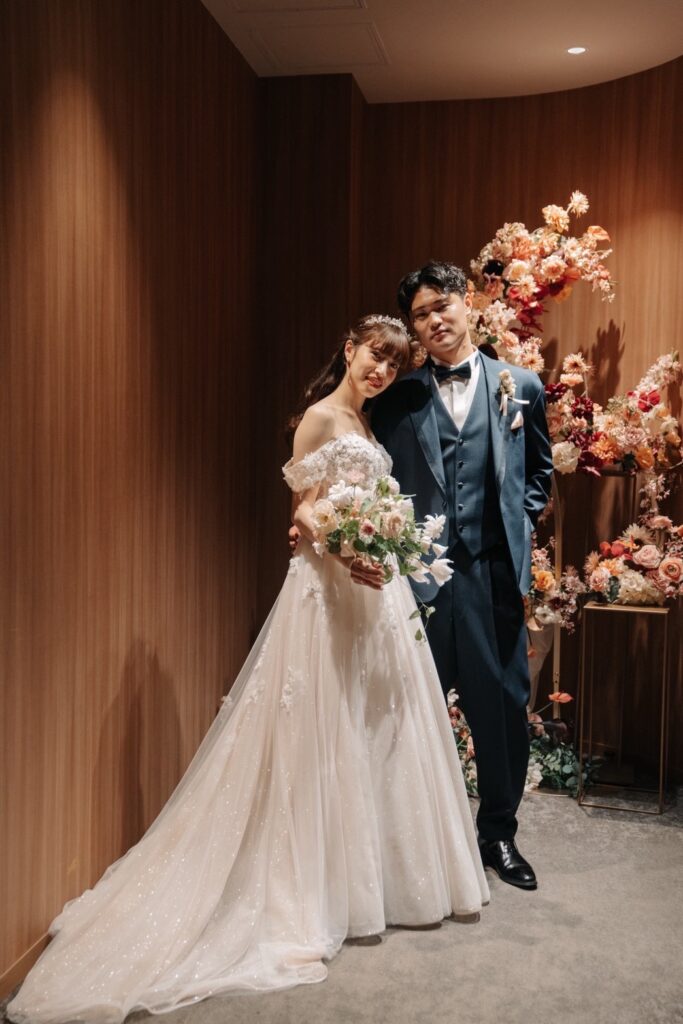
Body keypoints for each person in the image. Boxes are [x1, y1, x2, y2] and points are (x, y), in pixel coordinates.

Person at [7, 314, 488, 1024]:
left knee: (373, 725)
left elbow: (347, 507)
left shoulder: (364, 423)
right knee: (321, 728)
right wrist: (346, 550)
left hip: (375, 594)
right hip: (330, 590)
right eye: (374, 354)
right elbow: (303, 514)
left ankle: (375, 881)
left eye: (393, 363)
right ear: (349, 349)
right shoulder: (321, 418)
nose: (382, 370)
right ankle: (311, 888)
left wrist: (382, 545)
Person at [371, 263, 553, 891]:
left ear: (466, 303)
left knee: (500, 708)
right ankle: (404, 841)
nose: (434, 321)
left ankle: (497, 833)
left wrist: (516, 524)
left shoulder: (520, 385)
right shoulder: (398, 396)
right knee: (400, 707)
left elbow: (539, 472)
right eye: (420, 315)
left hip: (491, 576)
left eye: (441, 306)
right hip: (416, 578)